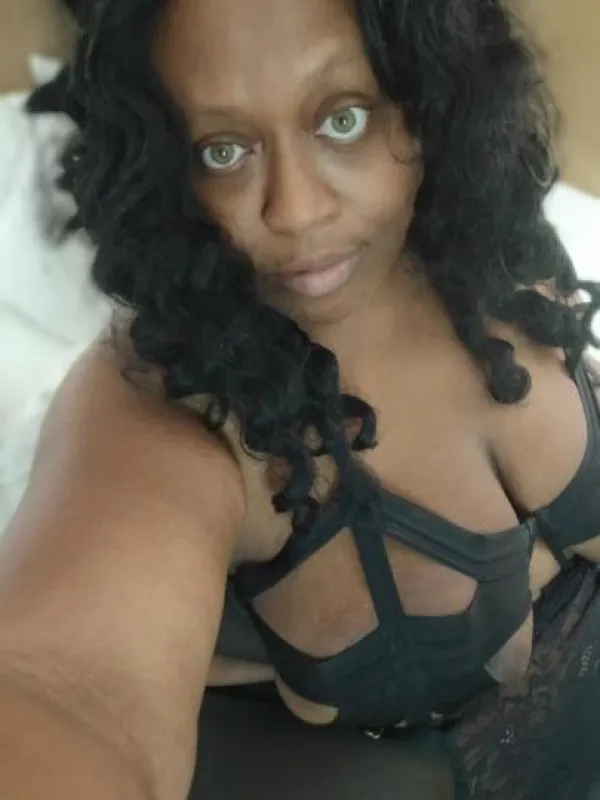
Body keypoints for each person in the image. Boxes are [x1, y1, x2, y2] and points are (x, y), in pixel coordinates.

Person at [2, 0, 600, 798]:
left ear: (427, 95)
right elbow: (67, 688)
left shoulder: (482, 229)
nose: (295, 210)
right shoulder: (160, 409)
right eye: (223, 150)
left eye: (343, 119)